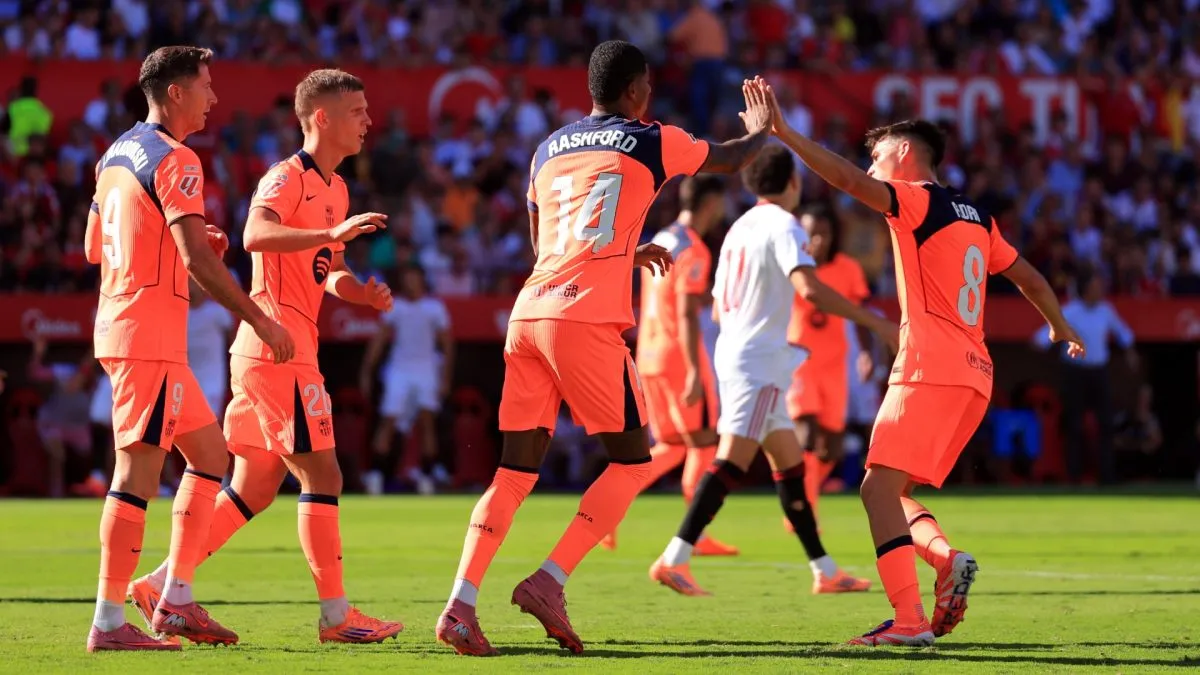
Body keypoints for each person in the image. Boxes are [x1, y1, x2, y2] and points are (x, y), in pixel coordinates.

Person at [435, 40, 775, 657]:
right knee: (634, 461)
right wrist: (761, 128)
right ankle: (550, 580)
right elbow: (730, 159)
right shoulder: (652, 138)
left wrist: (623, 248)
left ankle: (460, 603)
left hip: (529, 311)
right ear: (637, 90)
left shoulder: (546, 148)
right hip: (584, 320)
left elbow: (545, 239)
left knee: (513, 474)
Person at [760, 77, 1085, 645]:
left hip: (928, 365)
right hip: (974, 376)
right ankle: (945, 561)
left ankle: (908, 621)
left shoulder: (916, 200)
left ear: (906, 154)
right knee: (896, 493)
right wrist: (1060, 326)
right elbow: (1028, 277)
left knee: (873, 491)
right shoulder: (979, 217)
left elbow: (843, 180)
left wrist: (785, 132)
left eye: (880, 155)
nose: (874, 165)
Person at [127, 69, 401, 645]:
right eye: (357, 112)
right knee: (323, 472)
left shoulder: (338, 188)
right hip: (279, 347)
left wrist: (361, 292)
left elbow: (330, 272)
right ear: (321, 118)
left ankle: (164, 583)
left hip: (270, 349)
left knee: (253, 486)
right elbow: (255, 235)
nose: (368, 122)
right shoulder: (287, 178)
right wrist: (330, 233)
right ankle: (337, 616)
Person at [84, 45, 294, 652]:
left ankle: (175, 599)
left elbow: (96, 246)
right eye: (206, 86)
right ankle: (107, 622)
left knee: (210, 459)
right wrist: (260, 318)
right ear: (175, 91)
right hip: (145, 335)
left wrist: (185, 239)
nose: (214, 97)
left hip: (132, 328)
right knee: (137, 473)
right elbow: (198, 261)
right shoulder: (178, 159)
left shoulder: (115, 154)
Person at [649, 142, 890, 597]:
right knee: (730, 461)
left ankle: (824, 569)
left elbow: (718, 310)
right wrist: (875, 321)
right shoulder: (785, 225)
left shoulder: (738, 228)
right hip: (758, 362)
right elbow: (810, 289)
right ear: (793, 183)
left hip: (745, 355)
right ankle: (673, 557)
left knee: (790, 464)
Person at [601, 175, 737, 556]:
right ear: (711, 203)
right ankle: (697, 534)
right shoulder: (694, 248)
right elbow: (687, 312)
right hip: (679, 358)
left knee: (673, 447)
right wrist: (696, 368)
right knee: (705, 442)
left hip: (650, 354)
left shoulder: (661, 237)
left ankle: (605, 513)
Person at [785, 204, 874, 524]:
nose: (819, 239)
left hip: (836, 363)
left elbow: (861, 314)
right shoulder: (793, 266)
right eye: (812, 233)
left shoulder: (848, 269)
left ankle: (801, 494)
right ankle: (803, 510)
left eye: (825, 232)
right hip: (800, 361)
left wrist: (865, 352)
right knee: (806, 436)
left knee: (832, 449)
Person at [1032, 271, 1135, 485]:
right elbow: (1041, 338)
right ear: (1086, 289)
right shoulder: (1070, 311)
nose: (1100, 290)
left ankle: (1107, 477)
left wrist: (1130, 354)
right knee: (1074, 425)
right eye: (1096, 286)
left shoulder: (1106, 310)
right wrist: (1042, 345)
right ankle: (1074, 477)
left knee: (1106, 424)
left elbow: (1124, 334)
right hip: (1075, 373)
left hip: (1099, 372)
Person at [360, 265, 455, 496]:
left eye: (415, 278)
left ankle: (426, 476)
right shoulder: (395, 306)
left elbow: (448, 345)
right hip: (399, 371)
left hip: (426, 371)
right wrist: (366, 371)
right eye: (407, 278)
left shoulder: (435, 308)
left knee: (426, 422)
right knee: (389, 421)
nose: (411, 283)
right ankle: (377, 475)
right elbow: (379, 341)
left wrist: (445, 378)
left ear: (422, 281)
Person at [185, 277, 234, 418]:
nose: (191, 286)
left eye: (194, 281)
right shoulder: (178, 313)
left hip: (213, 379)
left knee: (210, 421)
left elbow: (232, 341)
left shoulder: (217, 312)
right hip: (187, 379)